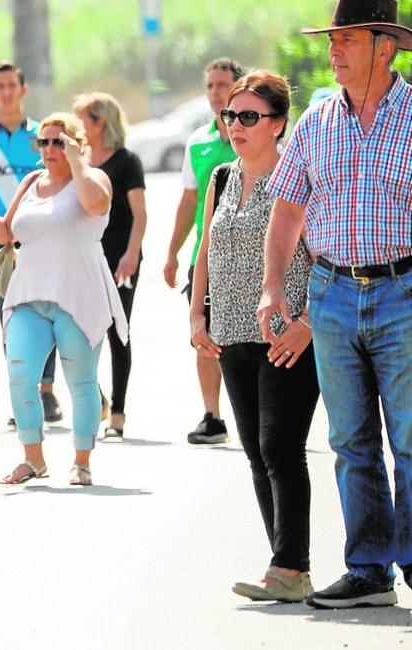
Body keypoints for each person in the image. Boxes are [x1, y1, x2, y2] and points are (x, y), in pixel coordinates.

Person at [261, 0, 412, 610]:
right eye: (332, 39)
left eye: (347, 38)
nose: (334, 50)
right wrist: (275, 284)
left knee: (410, 439)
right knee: (351, 441)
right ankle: (370, 570)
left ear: (385, 46)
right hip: (329, 292)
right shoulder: (317, 119)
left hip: (404, 290)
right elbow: (289, 209)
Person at [189, 71, 317, 602]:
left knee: (279, 447)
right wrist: (197, 314)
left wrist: (307, 324)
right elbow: (205, 250)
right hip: (230, 335)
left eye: (248, 117)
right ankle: (286, 566)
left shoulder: (299, 179)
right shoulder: (220, 176)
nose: (235, 125)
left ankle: (290, 565)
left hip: (286, 336)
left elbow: (324, 257)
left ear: (279, 123)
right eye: (230, 116)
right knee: (255, 453)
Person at [0, 114, 125, 487]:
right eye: (44, 142)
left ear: (76, 144)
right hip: (29, 294)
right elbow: (7, 231)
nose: (50, 149)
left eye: (59, 142)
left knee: (81, 382)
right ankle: (33, 459)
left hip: (78, 295)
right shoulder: (30, 182)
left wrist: (76, 162)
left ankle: (82, 461)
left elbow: (95, 205)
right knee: (20, 375)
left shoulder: (92, 179)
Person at [0, 61, 61, 425]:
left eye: (12, 85)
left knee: (47, 313)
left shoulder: (43, 134)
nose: (6, 92)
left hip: (40, 241)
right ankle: (23, 393)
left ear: (23, 89)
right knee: (11, 320)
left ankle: (46, 389)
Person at [163, 57, 244, 445]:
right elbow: (188, 199)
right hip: (206, 255)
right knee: (204, 333)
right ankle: (213, 417)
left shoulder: (264, 135)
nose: (215, 92)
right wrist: (173, 251)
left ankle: (259, 411)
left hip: (253, 254)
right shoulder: (198, 141)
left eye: (223, 84)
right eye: (210, 85)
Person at [73, 93, 147, 440]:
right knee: (75, 331)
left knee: (118, 331)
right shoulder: (79, 162)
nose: (79, 128)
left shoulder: (126, 161)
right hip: (83, 258)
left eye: (83, 120)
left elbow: (140, 213)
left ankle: (117, 412)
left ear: (100, 122)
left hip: (119, 257)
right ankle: (97, 398)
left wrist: (132, 253)